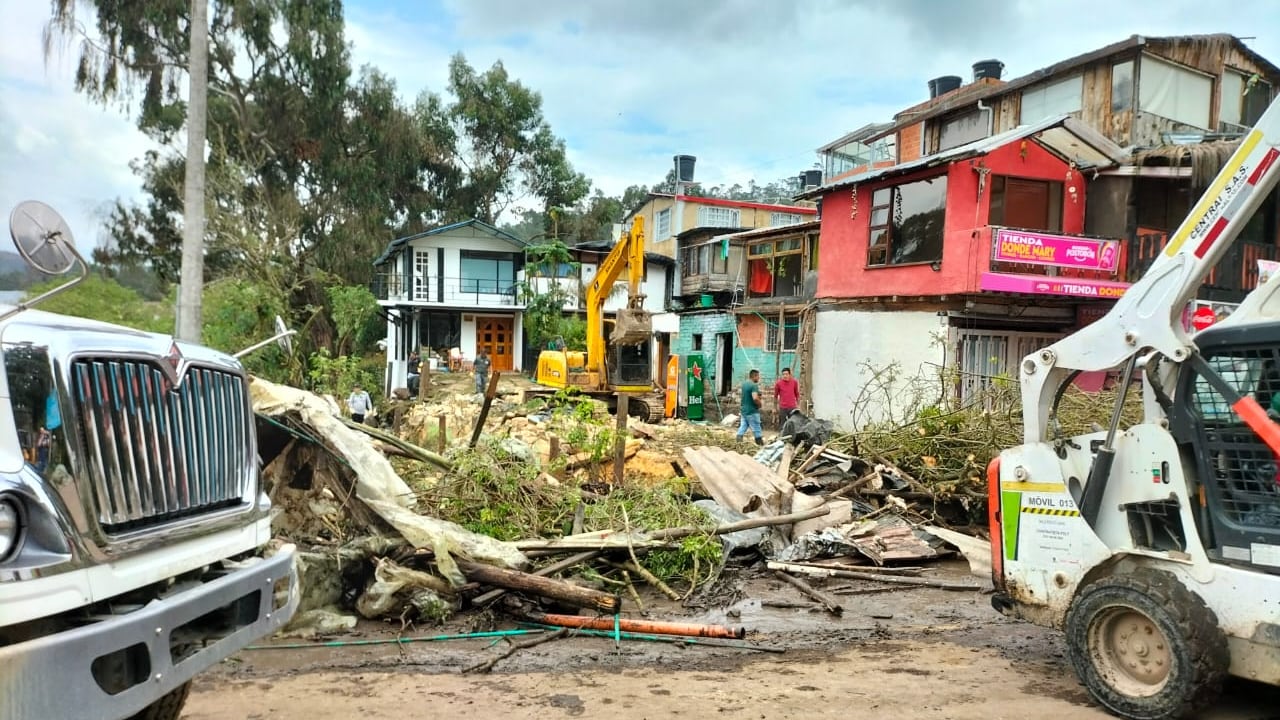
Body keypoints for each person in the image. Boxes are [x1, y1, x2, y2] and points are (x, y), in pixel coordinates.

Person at [737, 369, 764, 446]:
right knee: (756, 428)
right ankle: (760, 444)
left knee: (743, 426)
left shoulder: (744, 384)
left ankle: (738, 442)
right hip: (752, 411)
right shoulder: (753, 385)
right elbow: (755, 397)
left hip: (744, 410)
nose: (759, 378)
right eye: (758, 376)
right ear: (754, 376)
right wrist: (759, 404)